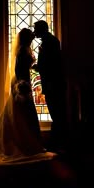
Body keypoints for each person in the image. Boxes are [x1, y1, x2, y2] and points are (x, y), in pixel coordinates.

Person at [0, 28, 57, 165]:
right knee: (23, 113)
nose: (33, 37)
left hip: (24, 82)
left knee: (23, 113)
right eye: (31, 36)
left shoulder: (26, 49)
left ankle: (29, 143)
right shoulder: (22, 51)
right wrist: (21, 86)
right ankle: (23, 144)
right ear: (27, 39)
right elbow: (18, 70)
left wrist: (35, 69)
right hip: (21, 84)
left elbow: (27, 67)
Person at [33, 20, 67, 151]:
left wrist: (38, 67)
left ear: (42, 29)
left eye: (36, 29)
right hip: (52, 82)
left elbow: (52, 63)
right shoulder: (49, 41)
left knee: (57, 111)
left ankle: (58, 142)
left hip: (54, 83)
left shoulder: (50, 42)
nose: (34, 31)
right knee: (56, 112)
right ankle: (57, 141)